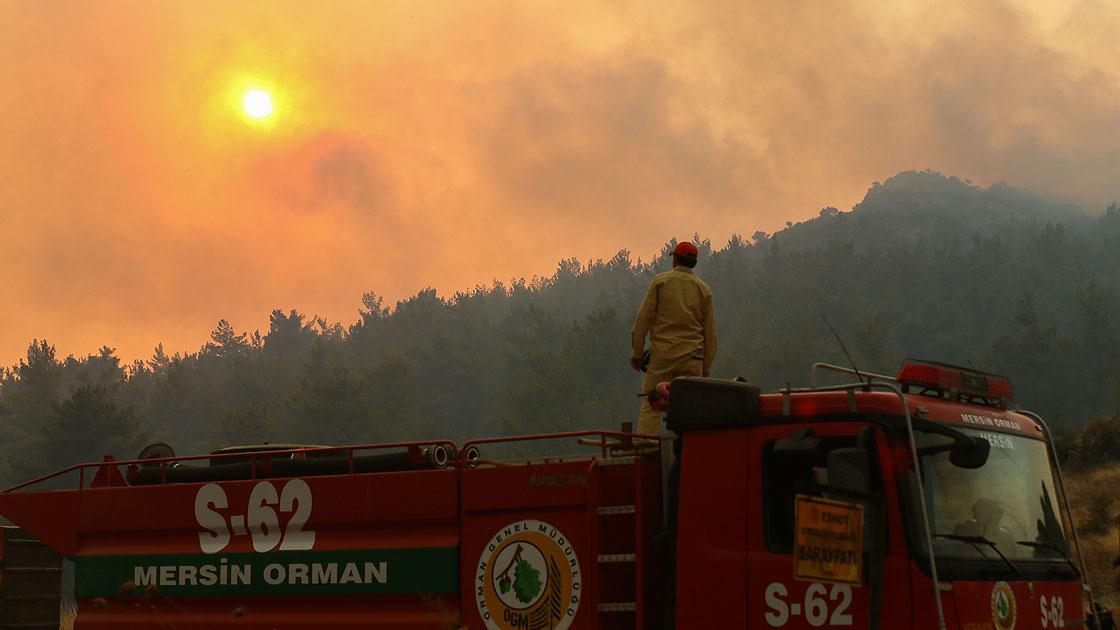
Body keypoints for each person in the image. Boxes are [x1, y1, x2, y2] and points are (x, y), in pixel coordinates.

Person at [630, 241, 717, 435]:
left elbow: (642, 320)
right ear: (693, 263)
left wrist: (636, 353)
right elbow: (710, 334)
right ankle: (691, 447)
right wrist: (705, 368)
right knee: (692, 407)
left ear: (675, 259)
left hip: (662, 357)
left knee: (651, 402)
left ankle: (646, 447)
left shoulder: (660, 282)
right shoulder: (704, 290)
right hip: (692, 359)